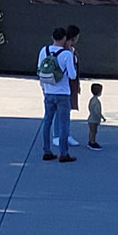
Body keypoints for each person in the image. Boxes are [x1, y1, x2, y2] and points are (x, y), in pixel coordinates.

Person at [37, 27, 78, 163]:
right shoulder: (66, 54)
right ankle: (64, 153)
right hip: (62, 93)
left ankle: (47, 151)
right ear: (65, 39)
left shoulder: (44, 50)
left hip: (48, 91)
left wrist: (43, 88)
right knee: (63, 124)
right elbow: (72, 75)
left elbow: (39, 70)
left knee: (47, 122)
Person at [53, 24, 81, 149]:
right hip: (63, 83)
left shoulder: (72, 50)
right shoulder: (64, 51)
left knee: (67, 110)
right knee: (58, 112)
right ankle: (57, 136)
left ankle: (66, 134)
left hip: (71, 84)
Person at [88, 83, 105, 150]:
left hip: (90, 118)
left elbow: (89, 107)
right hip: (94, 119)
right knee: (94, 131)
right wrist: (101, 117)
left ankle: (90, 141)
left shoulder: (91, 100)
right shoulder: (97, 102)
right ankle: (93, 142)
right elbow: (97, 111)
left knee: (91, 131)